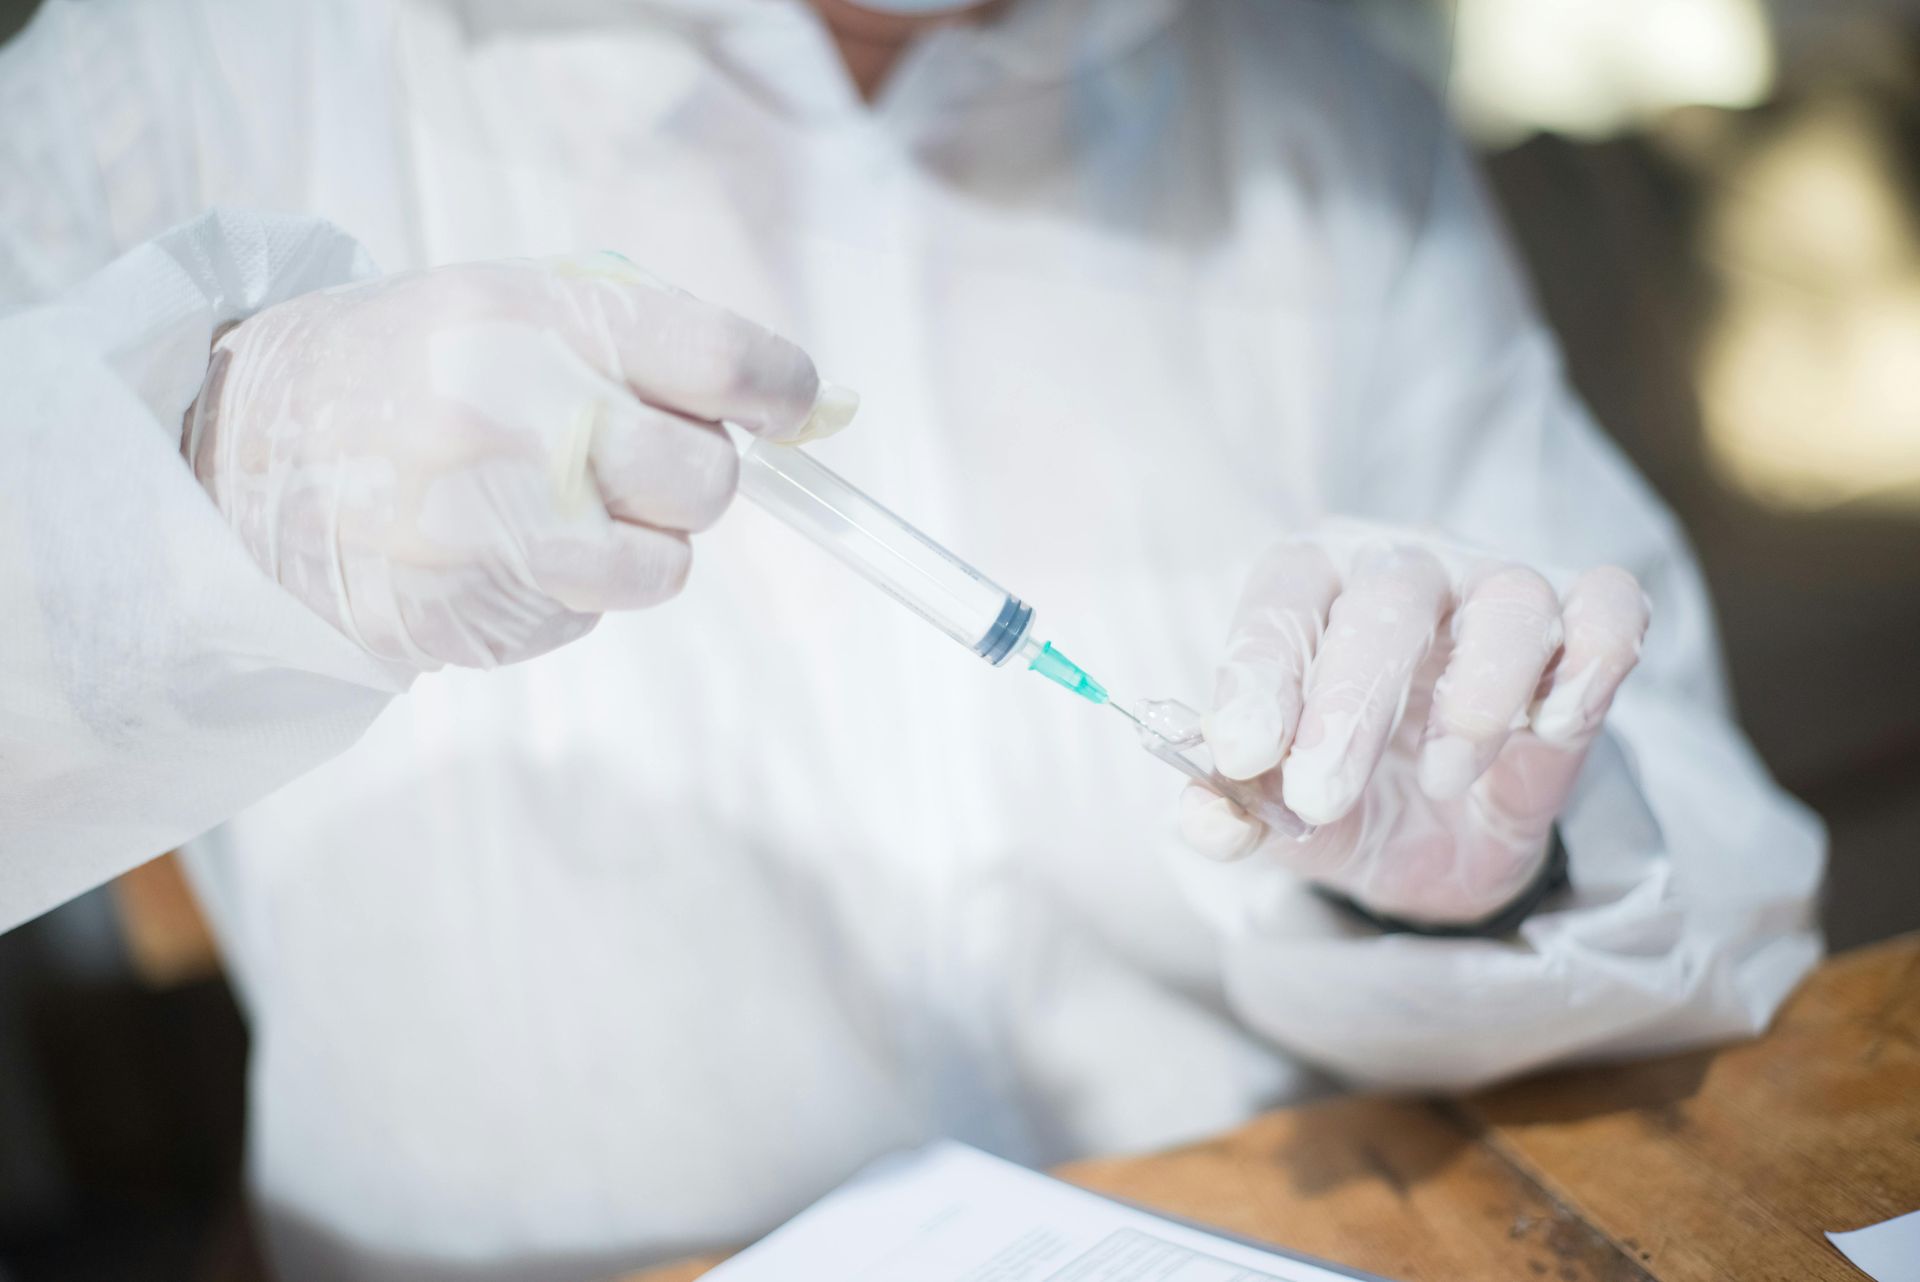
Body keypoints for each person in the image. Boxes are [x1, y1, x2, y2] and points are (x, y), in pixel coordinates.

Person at [0, 0, 1825, 1277]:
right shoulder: (200, 58)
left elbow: (1721, 861)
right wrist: (205, 468)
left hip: (1267, 1233)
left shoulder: (1314, 114)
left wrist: (1481, 866)